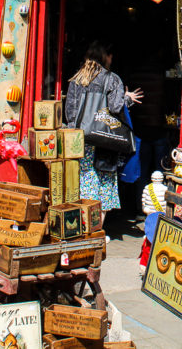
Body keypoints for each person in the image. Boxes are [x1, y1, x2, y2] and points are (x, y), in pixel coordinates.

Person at [64, 42, 143, 226]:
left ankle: (81, 227)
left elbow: (70, 111)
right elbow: (116, 108)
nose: (112, 58)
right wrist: (127, 99)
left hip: (79, 139)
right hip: (104, 140)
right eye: (110, 55)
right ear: (105, 57)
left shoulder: (77, 79)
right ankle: (96, 229)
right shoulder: (112, 79)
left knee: (84, 179)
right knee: (105, 182)